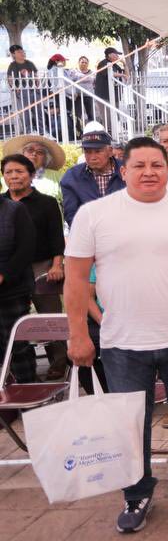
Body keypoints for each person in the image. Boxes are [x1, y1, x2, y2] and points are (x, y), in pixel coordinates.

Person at [64, 136, 168, 532]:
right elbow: (76, 278)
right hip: (121, 340)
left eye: (157, 165)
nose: (150, 172)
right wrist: (77, 334)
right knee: (131, 422)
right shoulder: (94, 214)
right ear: (124, 170)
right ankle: (136, 492)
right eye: (140, 166)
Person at [2, 153, 66, 379]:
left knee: (49, 317)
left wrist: (57, 265)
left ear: (30, 175)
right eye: (8, 172)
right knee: (15, 322)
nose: (14, 177)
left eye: (19, 172)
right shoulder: (3, 204)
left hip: (42, 266)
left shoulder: (46, 203)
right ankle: (16, 370)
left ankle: (59, 360)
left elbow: (56, 238)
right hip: (11, 270)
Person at [0, 178, 37, 383]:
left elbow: (26, 248)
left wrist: (4, 274)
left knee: (16, 347)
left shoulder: (14, 209)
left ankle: (27, 397)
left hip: (11, 291)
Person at [60, 130, 124, 226]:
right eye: (87, 152)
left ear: (110, 151)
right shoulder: (72, 177)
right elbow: (72, 215)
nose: (92, 157)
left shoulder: (128, 171)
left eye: (98, 151)